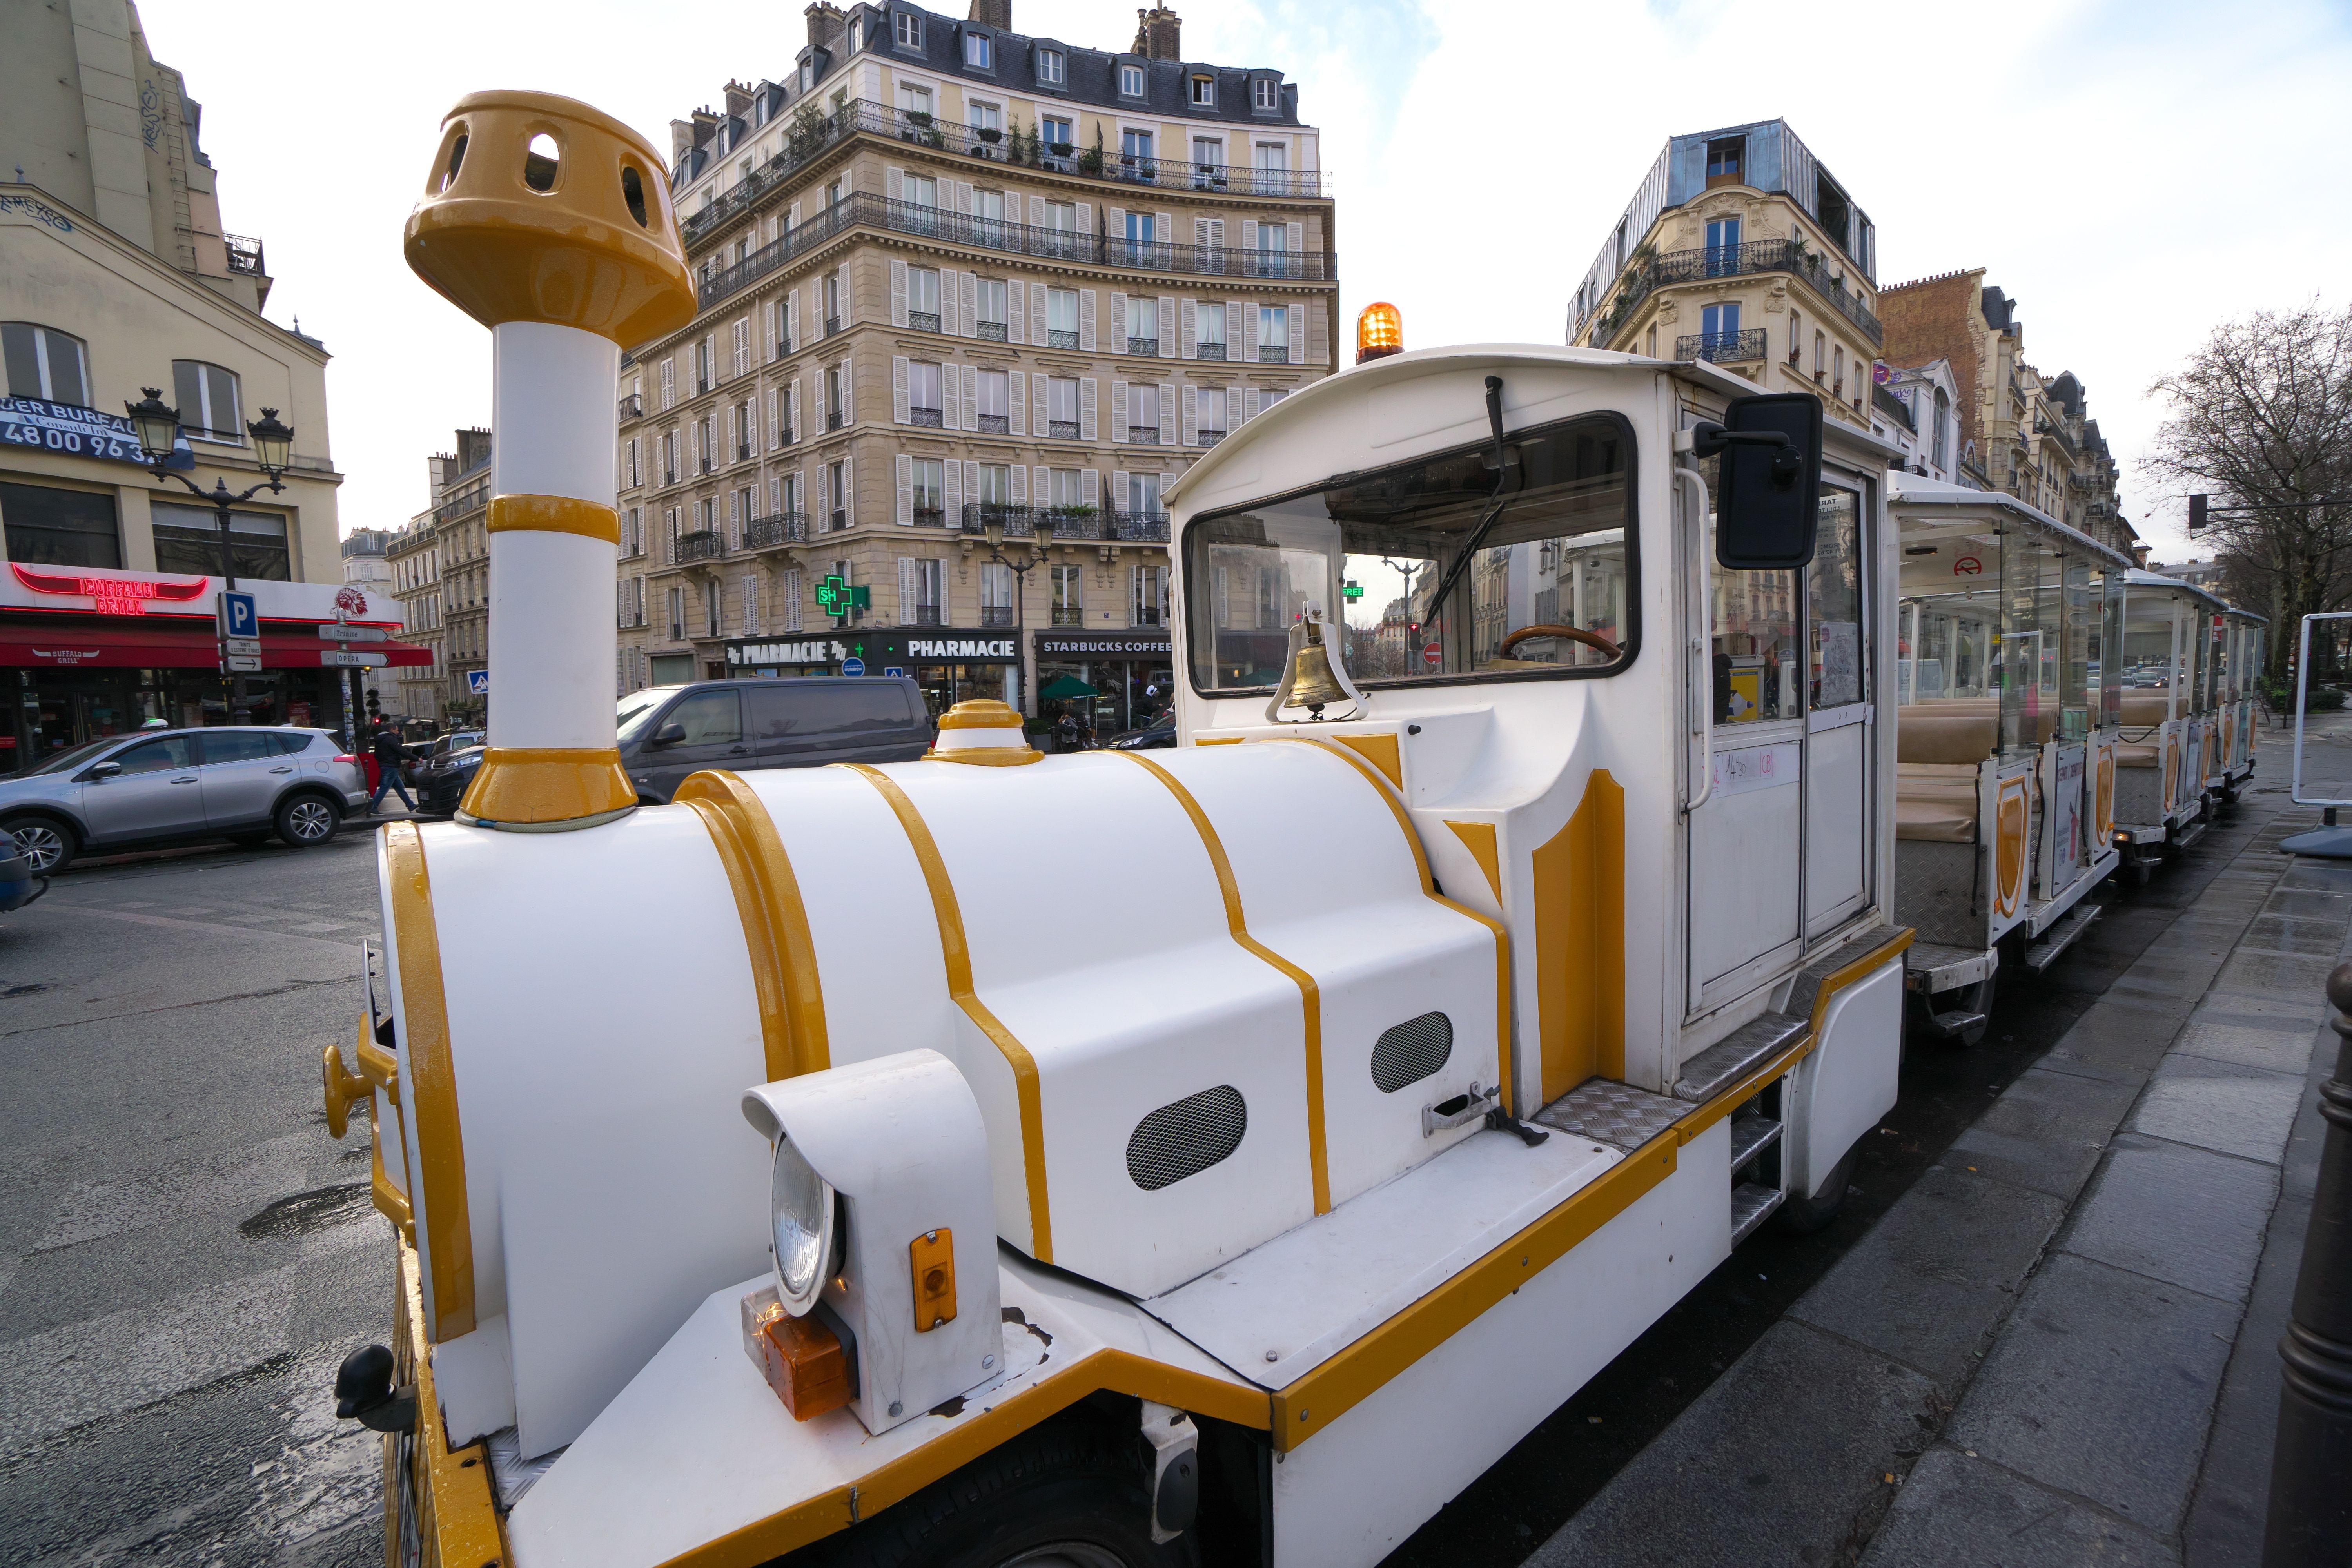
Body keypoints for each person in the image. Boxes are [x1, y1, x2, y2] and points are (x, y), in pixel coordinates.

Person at [367, 722, 415, 815]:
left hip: (387, 766)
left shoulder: (381, 740)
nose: (398, 732)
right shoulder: (391, 739)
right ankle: (372, 807)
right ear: (392, 730)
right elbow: (401, 751)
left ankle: (410, 805)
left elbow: (377, 755)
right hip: (391, 767)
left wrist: (382, 762)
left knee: (400, 787)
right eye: (397, 730)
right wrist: (416, 758)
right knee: (384, 788)